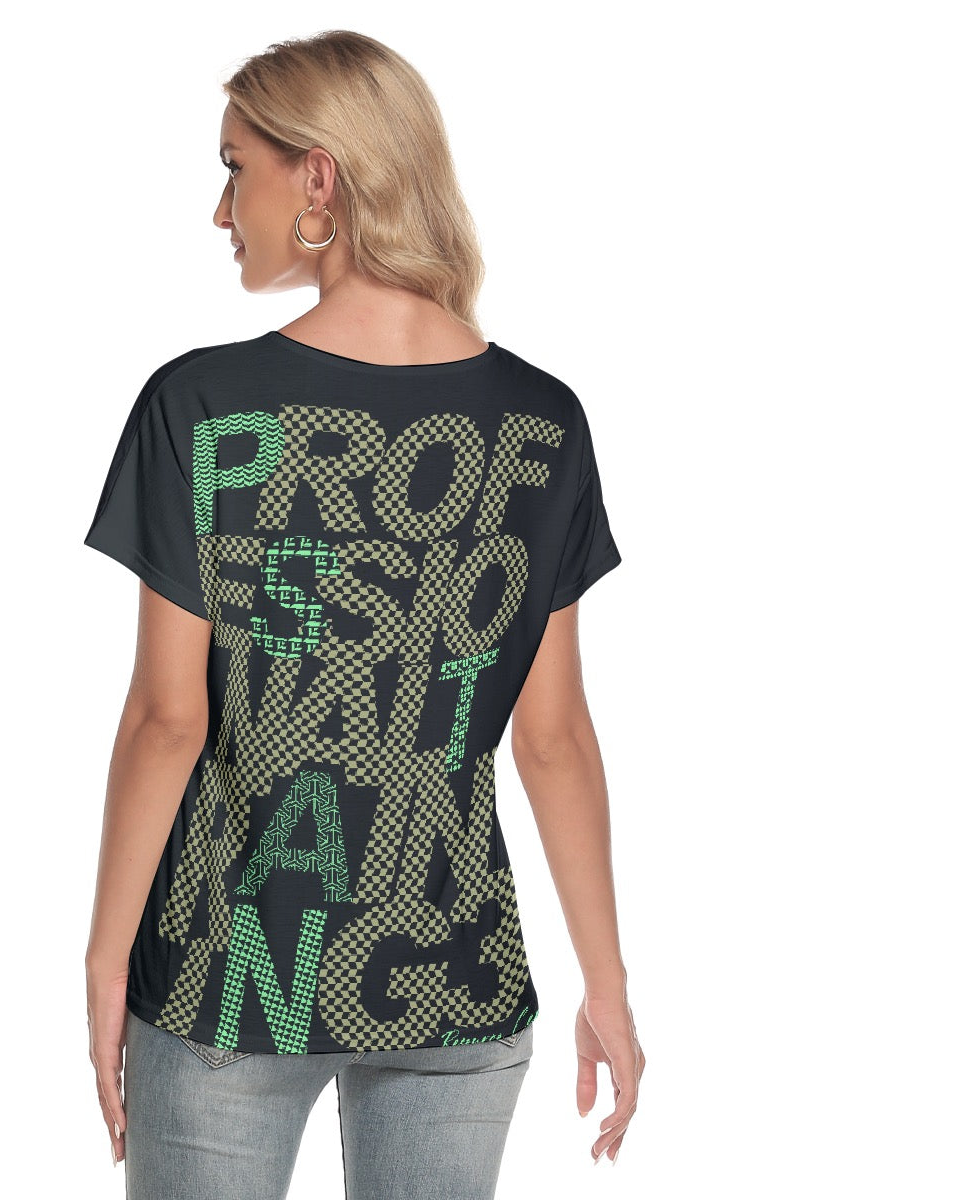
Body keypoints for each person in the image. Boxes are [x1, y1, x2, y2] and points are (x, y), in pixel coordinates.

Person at [82, 29, 645, 1200]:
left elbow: (167, 723)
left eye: (236, 167)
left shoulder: (201, 405)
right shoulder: (543, 423)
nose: (221, 209)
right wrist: (607, 985)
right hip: (456, 976)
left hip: (228, 978)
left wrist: (104, 957)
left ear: (318, 177)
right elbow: (553, 738)